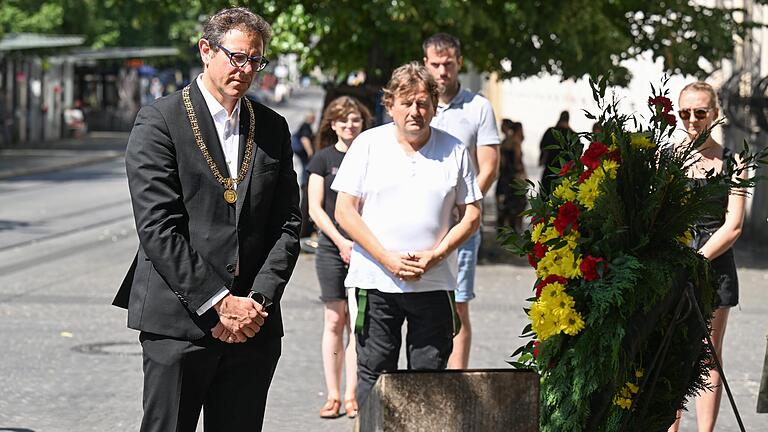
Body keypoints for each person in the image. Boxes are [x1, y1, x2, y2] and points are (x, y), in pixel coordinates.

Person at [112, 8, 301, 432]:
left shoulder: (271, 127)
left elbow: (288, 224)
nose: (246, 68)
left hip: (254, 324)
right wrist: (219, 302)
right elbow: (159, 227)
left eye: (256, 59)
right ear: (205, 50)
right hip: (180, 323)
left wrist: (257, 302)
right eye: (237, 57)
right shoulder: (160, 120)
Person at [332, 62, 482, 407]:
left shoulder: (455, 150)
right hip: (375, 280)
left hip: (434, 282)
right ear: (390, 105)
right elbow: (344, 211)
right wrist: (386, 258)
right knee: (374, 372)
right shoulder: (368, 145)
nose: (415, 111)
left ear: (434, 105)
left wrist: (436, 255)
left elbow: (472, 215)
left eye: (423, 103)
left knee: (428, 375)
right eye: (406, 102)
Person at [667, 82, 747, 432]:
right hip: (672, 265)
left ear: (715, 113)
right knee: (669, 351)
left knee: (708, 353)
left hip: (715, 266)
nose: (692, 120)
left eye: (700, 112)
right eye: (684, 113)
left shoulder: (735, 161)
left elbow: (734, 225)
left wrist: (697, 260)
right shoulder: (666, 158)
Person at [422, 32, 500, 369]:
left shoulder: (478, 107)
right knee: (417, 299)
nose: (442, 71)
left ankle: (456, 382)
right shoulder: (415, 102)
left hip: (461, 223)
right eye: (436, 64)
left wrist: (463, 204)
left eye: (448, 64)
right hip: (421, 220)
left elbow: (490, 166)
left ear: (459, 63)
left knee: (458, 304)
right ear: (425, 63)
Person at [307, 96, 373, 419]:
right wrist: (341, 241)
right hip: (333, 249)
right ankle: (333, 394)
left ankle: (352, 394)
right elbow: (315, 209)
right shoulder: (322, 160)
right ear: (333, 124)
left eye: (356, 120)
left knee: (357, 323)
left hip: (364, 248)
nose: (350, 125)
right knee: (335, 320)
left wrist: (359, 242)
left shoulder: (371, 156)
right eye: (344, 120)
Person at [496, 119, 527, 232]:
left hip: (504, 177)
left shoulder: (504, 142)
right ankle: (515, 229)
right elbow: (517, 162)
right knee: (518, 204)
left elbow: (501, 162)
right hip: (514, 177)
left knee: (504, 204)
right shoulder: (516, 143)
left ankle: (502, 228)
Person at [539, 110, 574, 192]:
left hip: (549, 170)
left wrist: (541, 160)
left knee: (547, 195)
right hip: (566, 173)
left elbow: (543, 148)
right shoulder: (572, 135)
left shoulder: (550, 131)